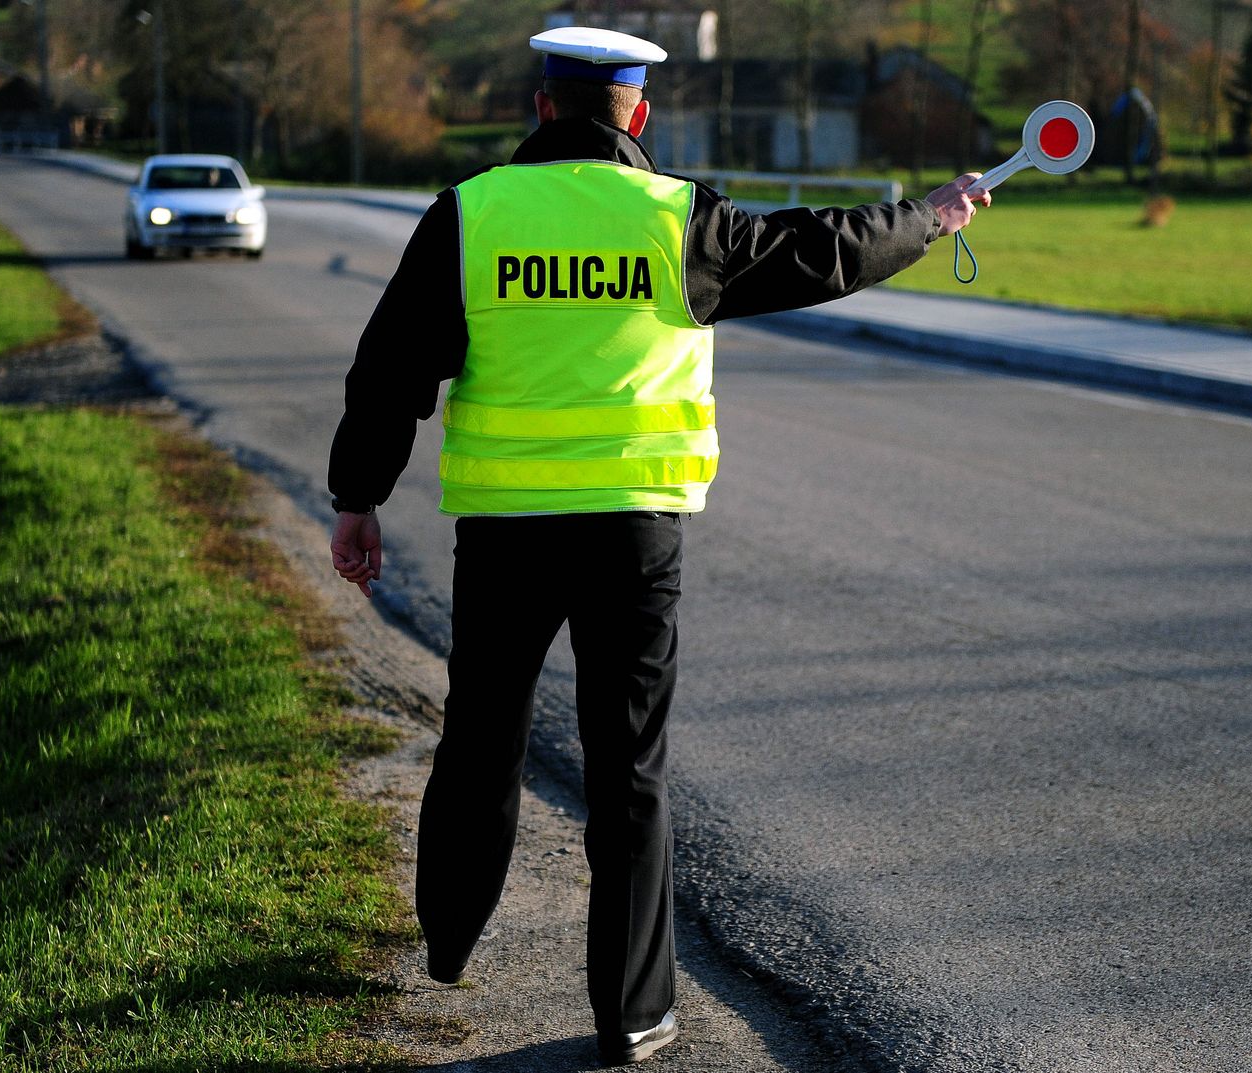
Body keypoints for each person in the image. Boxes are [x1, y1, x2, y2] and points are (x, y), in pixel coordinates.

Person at [328, 25, 989, 1066]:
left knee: (481, 736)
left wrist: (357, 496)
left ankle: (449, 941)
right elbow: (822, 250)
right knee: (627, 767)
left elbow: (390, 368)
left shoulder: (471, 213)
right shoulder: (682, 218)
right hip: (634, 531)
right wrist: (927, 219)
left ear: (542, 105)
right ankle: (631, 1012)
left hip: (504, 530)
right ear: (636, 112)